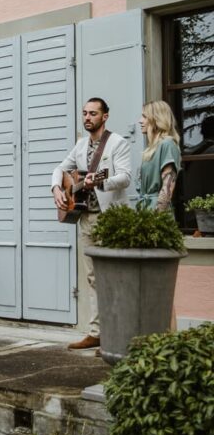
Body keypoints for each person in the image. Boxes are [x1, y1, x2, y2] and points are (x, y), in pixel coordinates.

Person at [52, 98, 132, 350]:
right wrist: (57, 188)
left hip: (111, 219)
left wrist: (98, 182)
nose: (87, 117)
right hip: (86, 219)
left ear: (105, 116)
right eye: (84, 113)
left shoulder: (118, 143)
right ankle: (97, 333)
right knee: (92, 277)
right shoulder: (80, 146)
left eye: (93, 113)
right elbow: (60, 168)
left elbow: (125, 177)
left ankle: (118, 336)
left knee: (114, 276)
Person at [138, 101, 182, 212]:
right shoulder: (151, 148)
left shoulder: (167, 144)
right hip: (145, 209)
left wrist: (157, 218)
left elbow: (167, 188)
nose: (140, 121)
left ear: (156, 119)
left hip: (157, 212)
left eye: (144, 117)